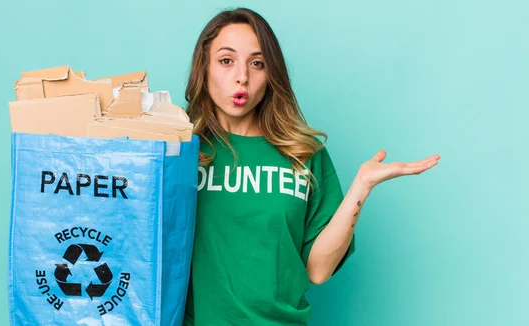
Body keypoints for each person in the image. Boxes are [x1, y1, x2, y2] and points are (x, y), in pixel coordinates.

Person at [182, 7, 440, 326]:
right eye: (226, 60)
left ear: (271, 73)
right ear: (203, 68)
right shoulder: (180, 149)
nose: (242, 77)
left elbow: (318, 271)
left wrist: (361, 186)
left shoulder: (303, 152)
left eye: (257, 63)